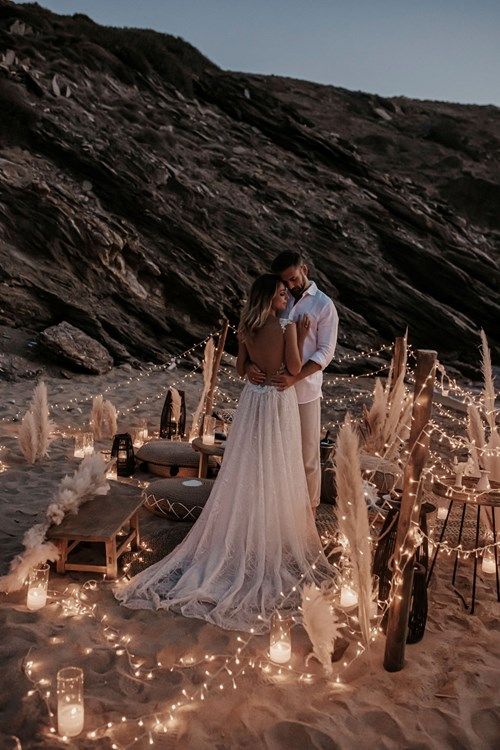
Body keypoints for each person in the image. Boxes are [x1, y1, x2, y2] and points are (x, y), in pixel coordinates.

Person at [115, 274, 333, 632]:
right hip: (278, 402)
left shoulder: (247, 327)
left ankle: (247, 523)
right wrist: (300, 330)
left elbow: (239, 367)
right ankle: (268, 530)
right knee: (275, 465)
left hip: (252, 401)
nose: (286, 299)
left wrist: (251, 371)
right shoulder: (287, 326)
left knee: (247, 463)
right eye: (281, 295)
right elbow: (295, 369)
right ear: (270, 299)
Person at [246, 252, 338, 513]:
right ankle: (276, 512)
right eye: (284, 282)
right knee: (273, 455)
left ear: (304, 270)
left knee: (307, 457)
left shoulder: (323, 305)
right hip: (272, 391)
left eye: (293, 279)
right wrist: (251, 365)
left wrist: (294, 378)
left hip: (305, 392)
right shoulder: (279, 298)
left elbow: (325, 353)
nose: (290, 286)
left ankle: (308, 513)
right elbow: (259, 332)